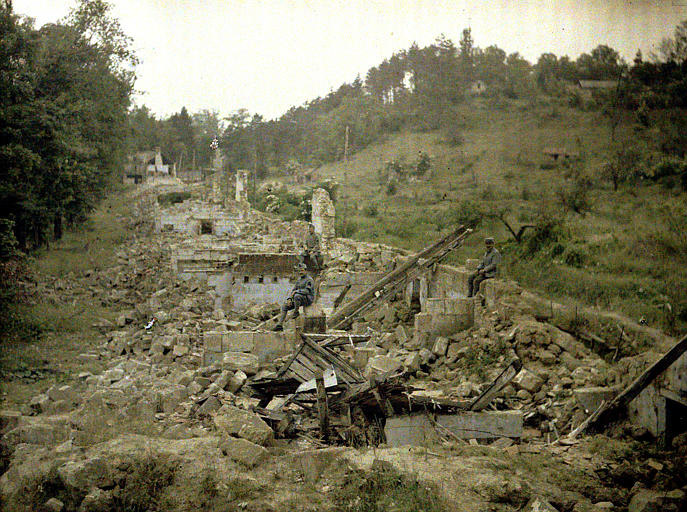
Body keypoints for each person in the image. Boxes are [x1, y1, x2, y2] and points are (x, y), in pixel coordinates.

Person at [274, 263, 315, 331]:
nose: (300, 272)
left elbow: (307, 291)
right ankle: (280, 324)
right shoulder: (299, 280)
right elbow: (293, 290)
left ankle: (296, 312)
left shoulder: (309, 280)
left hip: (307, 299)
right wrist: (289, 299)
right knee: (285, 306)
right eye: (299, 271)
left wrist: (297, 291)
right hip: (298, 300)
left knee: (297, 296)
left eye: (302, 271)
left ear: (305, 271)